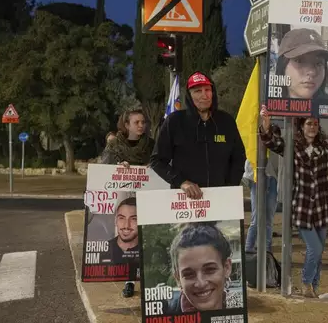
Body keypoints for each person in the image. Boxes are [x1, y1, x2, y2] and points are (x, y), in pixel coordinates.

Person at [259, 105, 328, 298]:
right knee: (315, 248)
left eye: (316, 124)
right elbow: (271, 142)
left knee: (319, 250)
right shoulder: (292, 148)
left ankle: (314, 286)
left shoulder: (324, 148)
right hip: (302, 205)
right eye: (309, 123)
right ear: (301, 127)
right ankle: (305, 282)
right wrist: (266, 123)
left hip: (323, 206)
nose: (313, 127)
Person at [150, 71, 246, 198]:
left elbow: (238, 158)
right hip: (185, 203)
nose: (204, 95)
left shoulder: (226, 121)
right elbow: (157, 161)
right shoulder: (175, 121)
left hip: (220, 201)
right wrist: (181, 182)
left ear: (213, 93)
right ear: (189, 96)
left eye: (207, 90)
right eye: (197, 91)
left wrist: (230, 186)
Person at [100, 109, 154, 297]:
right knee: (128, 241)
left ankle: (148, 278)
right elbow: (104, 166)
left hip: (147, 198)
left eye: (143, 122)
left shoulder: (151, 145)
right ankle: (129, 280)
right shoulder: (115, 146)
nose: (141, 125)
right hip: (124, 198)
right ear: (126, 125)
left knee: (146, 238)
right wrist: (118, 166)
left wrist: (152, 167)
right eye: (137, 122)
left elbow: (162, 164)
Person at [167, 222, 239, 313]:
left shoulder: (242, 308)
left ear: (226, 267)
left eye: (209, 270)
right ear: (178, 278)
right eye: (189, 274)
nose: (200, 284)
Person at [244, 125, 281, 252]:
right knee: (257, 217)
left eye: (274, 135)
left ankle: (267, 249)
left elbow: (281, 167)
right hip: (257, 182)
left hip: (273, 181)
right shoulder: (255, 149)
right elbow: (248, 169)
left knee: (269, 218)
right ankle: (248, 247)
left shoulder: (278, 148)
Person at [274, 28, 328, 100]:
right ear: (283, 65)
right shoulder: (267, 108)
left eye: (318, 63)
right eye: (299, 61)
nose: (312, 72)